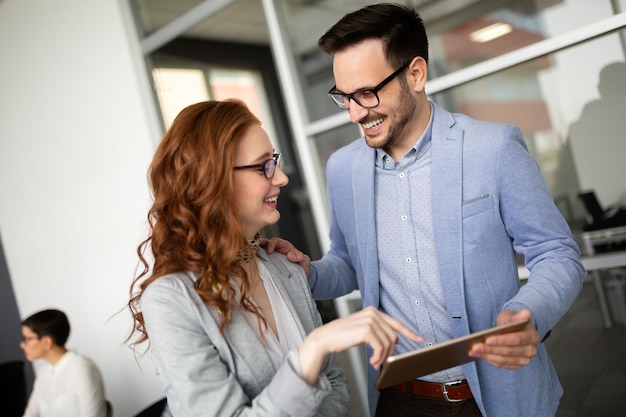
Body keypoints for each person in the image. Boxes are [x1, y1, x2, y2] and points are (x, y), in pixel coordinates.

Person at [264, 3, 587, 417]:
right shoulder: (343, 169)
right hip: (397, 397)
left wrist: (529, 314)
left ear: (415, 74)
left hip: (494, 394)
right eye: (344, 97)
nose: (355, 113)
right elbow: (348, 263)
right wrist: (308, 273)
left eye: (367, 92)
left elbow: (556, 253)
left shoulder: (493, 149)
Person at [126, 99, 421, 417]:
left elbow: (336, 387)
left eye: (275, 161)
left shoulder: (284, 269)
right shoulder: (170, 300)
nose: (281, 178)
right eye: (263, 165)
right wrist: (313, 350)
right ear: (212, 180)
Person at [20, 309, 107, 417]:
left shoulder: (82, 368)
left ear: (47, 342)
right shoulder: (44, 372)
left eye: (27, 339)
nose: (22, 345)